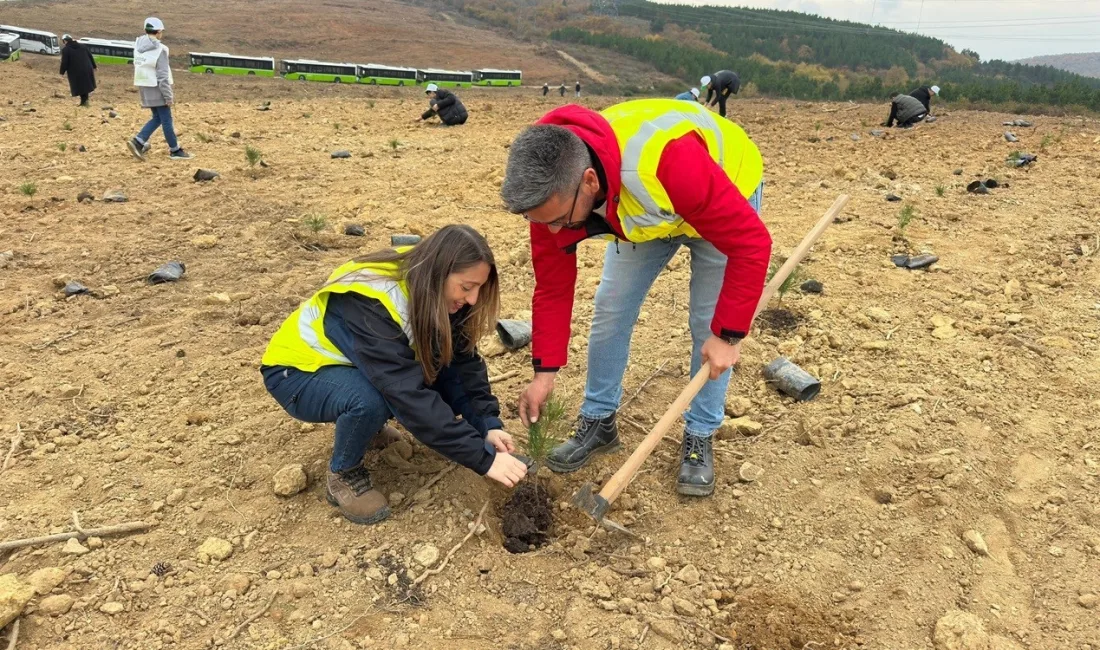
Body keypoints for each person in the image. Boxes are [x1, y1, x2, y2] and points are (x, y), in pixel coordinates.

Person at [500, 99, 771, 497]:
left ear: (590, 182)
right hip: (649, 214)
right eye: (544, 222)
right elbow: (553, 288)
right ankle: (598, 421)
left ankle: (699, 435)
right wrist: (545, 373)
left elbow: (751, 243)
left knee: (707, 325)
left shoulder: (663, 160)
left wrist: (728, 335)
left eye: (560, 220)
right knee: (611, 308)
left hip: (722, 189)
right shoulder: (549, 192)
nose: (554, 232)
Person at [260, 225, 530, 525]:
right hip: (296, 373)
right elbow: (405, 393)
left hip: (354, 364)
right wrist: (483, 459)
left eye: (479, 288)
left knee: (422, 370)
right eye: (467, 287)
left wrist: (486, 424)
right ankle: (343, 473)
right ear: (439, 271)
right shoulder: (371, 300)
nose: (472, 299)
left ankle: (369, 427)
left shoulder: (432, 286)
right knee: (375, 399)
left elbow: (461, 366)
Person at [126, 17, 192, 161]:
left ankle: (139, 141)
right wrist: (168, 96)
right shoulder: (160, 50)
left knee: (157, 118)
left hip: (144, 86)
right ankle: (175, 150)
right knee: (166, 120)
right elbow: (162, 76)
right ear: (159, 32)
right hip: (158, 88)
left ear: (145, 30)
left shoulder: (137, 45)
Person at [59, 35, 96, 107]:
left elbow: (64, 62)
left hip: (75, 71)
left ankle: (84, 102)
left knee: (80, 86)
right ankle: (84, 102)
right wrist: (94, 66)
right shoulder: (83, 46)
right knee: (85, 86)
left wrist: (62, 72)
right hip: (87, 69)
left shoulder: (66, 50)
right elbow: (90, 56)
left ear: (65, 41)